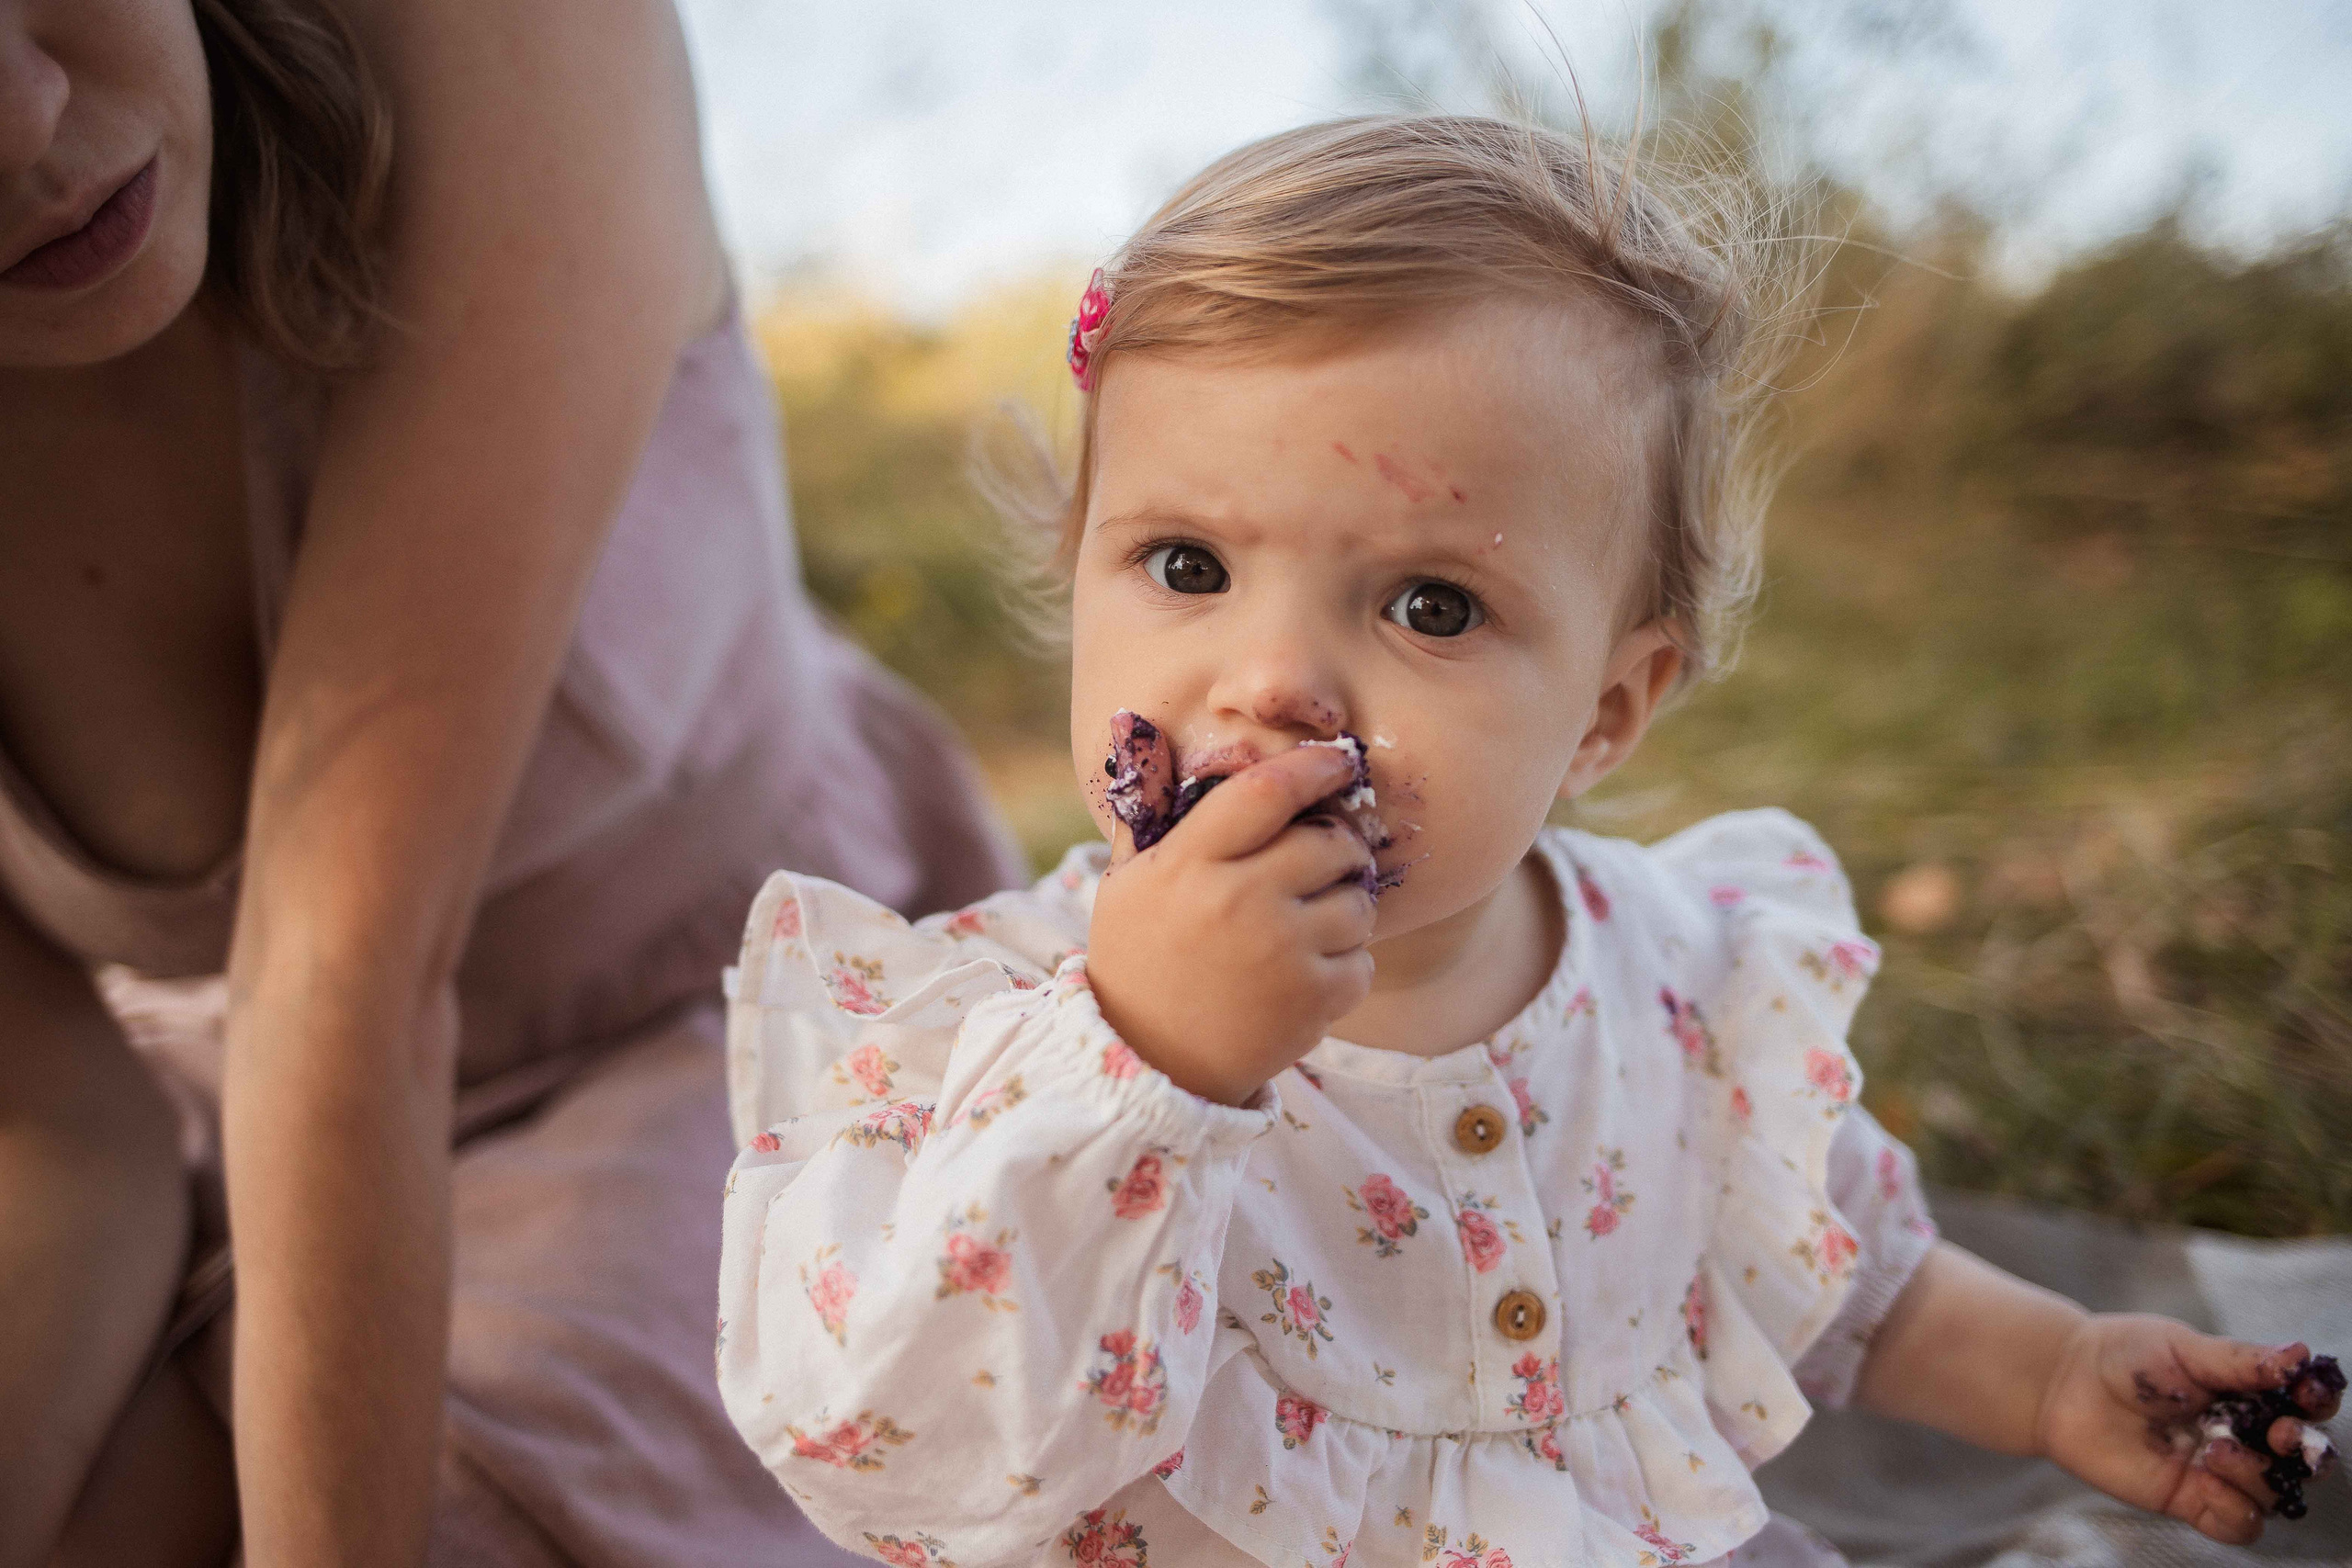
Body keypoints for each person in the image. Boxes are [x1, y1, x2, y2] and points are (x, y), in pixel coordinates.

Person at [709, 116, 2343, 1567]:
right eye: (1187, 565)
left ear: (1607, 712)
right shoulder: (995, 1047)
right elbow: (897, 1442)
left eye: (1432, 604)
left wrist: (2058, 1376)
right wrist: (1141, 1066)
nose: (1269, 680)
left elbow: (1846, 1271)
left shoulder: (1683, 978)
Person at [0, 1, 1023, 1564]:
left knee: (473, 1507)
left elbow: (346, 980)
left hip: (772, 1046)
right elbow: (65, 1137)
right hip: (246, 1148)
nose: (20, 116)